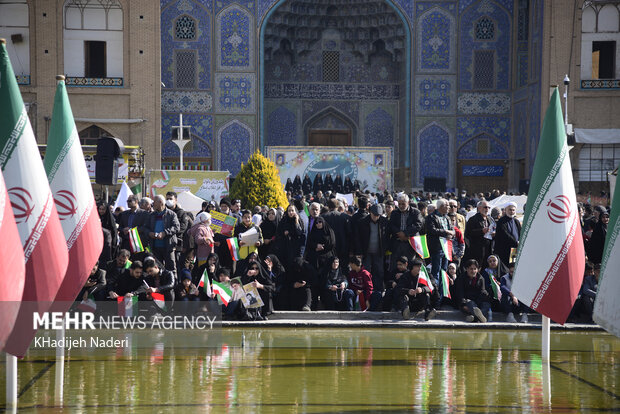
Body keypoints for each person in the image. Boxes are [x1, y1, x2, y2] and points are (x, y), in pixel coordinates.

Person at [425, 199, 454, 307]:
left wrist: (451, 233)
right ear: (440, 206)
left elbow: (451, 230)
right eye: (446, 205)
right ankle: (434, 299)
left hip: (446, 248)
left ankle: (441, 299)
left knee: (444, 273)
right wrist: (445, 232)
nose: (448, 207)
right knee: (436, 273)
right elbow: (432, 230)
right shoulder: (431, 217)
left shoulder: (447, 217)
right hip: (436, 248)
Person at [388, 194, 424, 271]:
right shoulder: (394, 213)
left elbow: (418, 225)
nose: (401, 206)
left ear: (408, 202)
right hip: (397, 242)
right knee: (395, 265)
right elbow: (391, 225)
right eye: (399, 203)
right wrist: (399, 233)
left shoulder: (415, 212)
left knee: (409, 264)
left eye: (403, 204)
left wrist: (405, 233)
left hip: (410, 243)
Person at [358, 203, 389, 293]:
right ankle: (366, 289)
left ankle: (378, 290)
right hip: (366, 251)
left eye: (378, 215)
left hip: (379, 252)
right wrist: (359, 251)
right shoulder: (363, 222)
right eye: (374, 215)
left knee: (379, 271)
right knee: (366, 271)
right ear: (370, 212)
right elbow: (358, 238)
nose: (376, 217)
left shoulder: (384, 222)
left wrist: (385, 248)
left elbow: (387, 237)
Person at [147, 195, 180, 272]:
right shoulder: (152, 215)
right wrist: (149, 233)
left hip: (168, 246)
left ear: (160, 202)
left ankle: (172, 283)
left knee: (171, 268)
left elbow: (176, 227)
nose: (153, 204)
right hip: (155, 247)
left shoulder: (171, 214)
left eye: (154, 202)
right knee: (158, 268)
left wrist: (165, 233)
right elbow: (145, 228)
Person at [275, 205, 306, 269]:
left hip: (295, 249)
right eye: (289, 211)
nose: (291, 212)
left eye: (292, 211)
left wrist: (296, 221)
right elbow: (278, 232)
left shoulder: (299, 220)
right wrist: (284, 233)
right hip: (285, 248)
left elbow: (300, 232)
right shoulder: (284, 220)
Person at [464, 200, 494, 266]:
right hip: (477, 249)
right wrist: (481, 231)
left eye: (489, 208)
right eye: (485, 207)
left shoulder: (490, 219)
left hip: (488, 248)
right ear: (479, 208)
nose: (487, 209)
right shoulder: (473, 219)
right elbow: (468, 233)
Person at [322, 198, 351, 266]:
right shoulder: (346, 217)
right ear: (338, 206)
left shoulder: (323, 217)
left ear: (328, 206)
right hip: (343, 246)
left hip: (328, 247)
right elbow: (349, 233)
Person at [494, 202, 521, 266]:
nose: (511, 211)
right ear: (505, 210)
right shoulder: (501, 221)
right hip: (504, 249)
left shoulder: (516, 221)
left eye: (513, 210)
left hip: (514, 249)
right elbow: (504, 234)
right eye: (510, 210)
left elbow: (520, 233)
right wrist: (515, 242)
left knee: (513, 266)